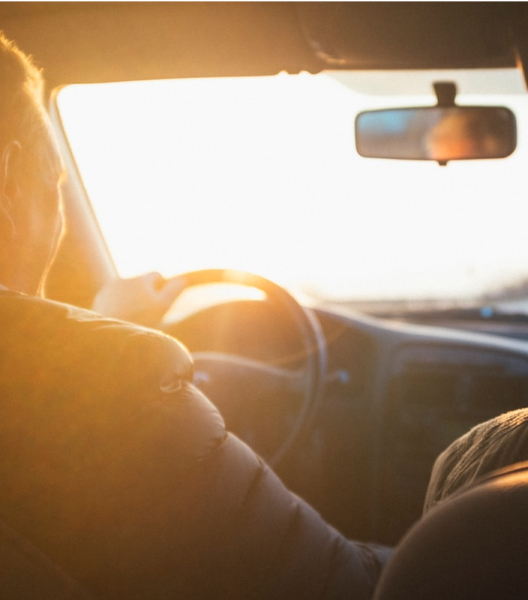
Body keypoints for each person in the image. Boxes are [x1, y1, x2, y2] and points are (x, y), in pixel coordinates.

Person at [0, 34, 390, 599]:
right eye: (53, 181)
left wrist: (92, 323)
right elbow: (354, 589)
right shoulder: (120, 391)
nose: (58, 217)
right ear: (8, 184)